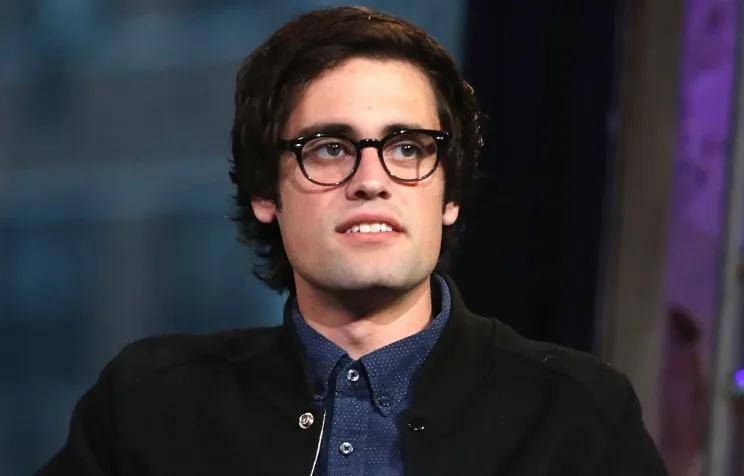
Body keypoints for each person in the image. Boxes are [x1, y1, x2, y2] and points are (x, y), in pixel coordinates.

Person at [39, 6, 668, 475]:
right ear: (266, 193)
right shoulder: (150, 406)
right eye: (330, 148)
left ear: (449, 195)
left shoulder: (575, 416)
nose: (371, 179)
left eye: (407, 148)